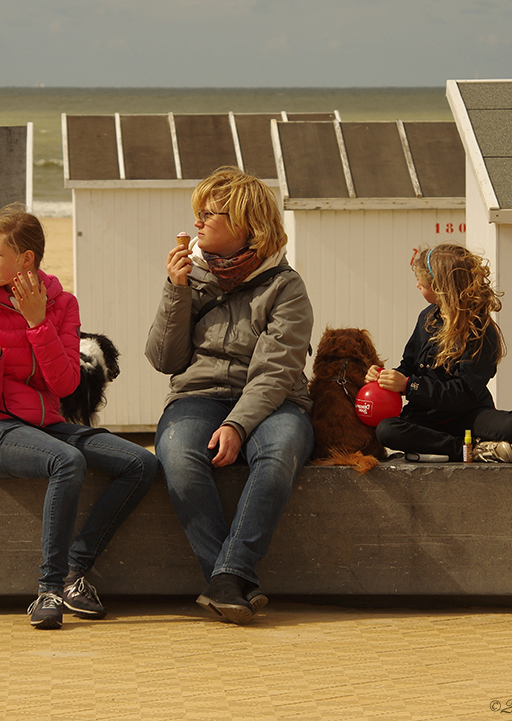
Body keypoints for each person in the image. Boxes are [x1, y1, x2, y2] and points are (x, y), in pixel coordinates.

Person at [0, 203, 158, 630]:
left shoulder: (62, 305)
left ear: (25, 259)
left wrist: (36, 323)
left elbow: (66, 385)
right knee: (67, 461)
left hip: (46, 423)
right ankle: (48, 589)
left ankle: (74, 571)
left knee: (142, 464)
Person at [146, 167, 314, 625]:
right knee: (177, 455)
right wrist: (175, 291)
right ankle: (232, 579)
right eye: (196, 213)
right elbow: (164, 358)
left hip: (275, 401)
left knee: (279, 453)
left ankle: (228, 575)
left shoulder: (286, 287)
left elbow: (275, 371)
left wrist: (237, 425)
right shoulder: (193, 276)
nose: (197, 222)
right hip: (197, 396)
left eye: (209, 214)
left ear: (244, 224)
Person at [368, 243, 512, 463]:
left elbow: (462, 394)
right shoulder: (426, 317)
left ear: (441, 288)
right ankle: (473, 450)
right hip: (425, 418)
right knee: (387, 430)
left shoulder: (480, 332)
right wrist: (385, 378)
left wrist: (409, 386)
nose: (417, 285)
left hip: (468, 415)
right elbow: (408, 366)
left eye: (422, 282)